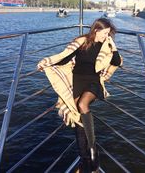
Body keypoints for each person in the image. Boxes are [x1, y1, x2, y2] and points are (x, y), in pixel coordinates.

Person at [37, 18, 122, 173]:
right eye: (104, 33)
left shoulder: (106, 46)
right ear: (96, 30)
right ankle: (85, 160)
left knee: (83, 105)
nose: (106, 36)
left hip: (94, 82)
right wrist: (48, 63)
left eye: (108, 34)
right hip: (77, 80)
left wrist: (113, 45)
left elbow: (116, 61)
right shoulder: (82, 41)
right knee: (78, 119)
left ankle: (92, 148)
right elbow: (66, 56)